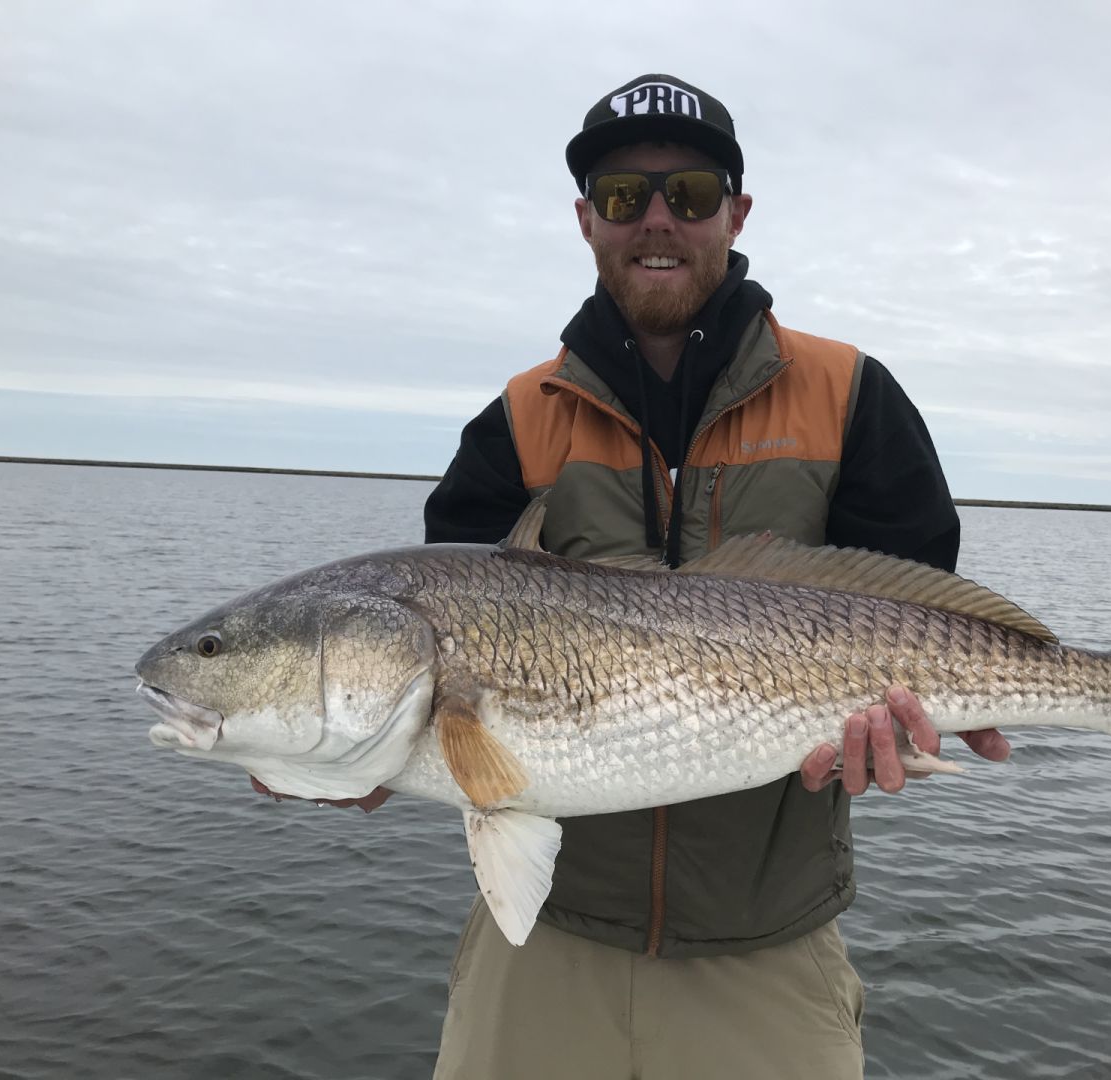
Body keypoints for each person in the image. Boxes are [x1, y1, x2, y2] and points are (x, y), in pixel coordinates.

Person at [278, 73, 1010, 1078]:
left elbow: (915, 601)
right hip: (543, 942)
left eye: (691, 193)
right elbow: (440, 671)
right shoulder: (515, 422)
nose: (657, 220)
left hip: (770, 949)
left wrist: (904, 725)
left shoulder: (850, 395)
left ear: (736, 213)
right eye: (624, 195)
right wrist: (346, 757)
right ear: (586, 219)